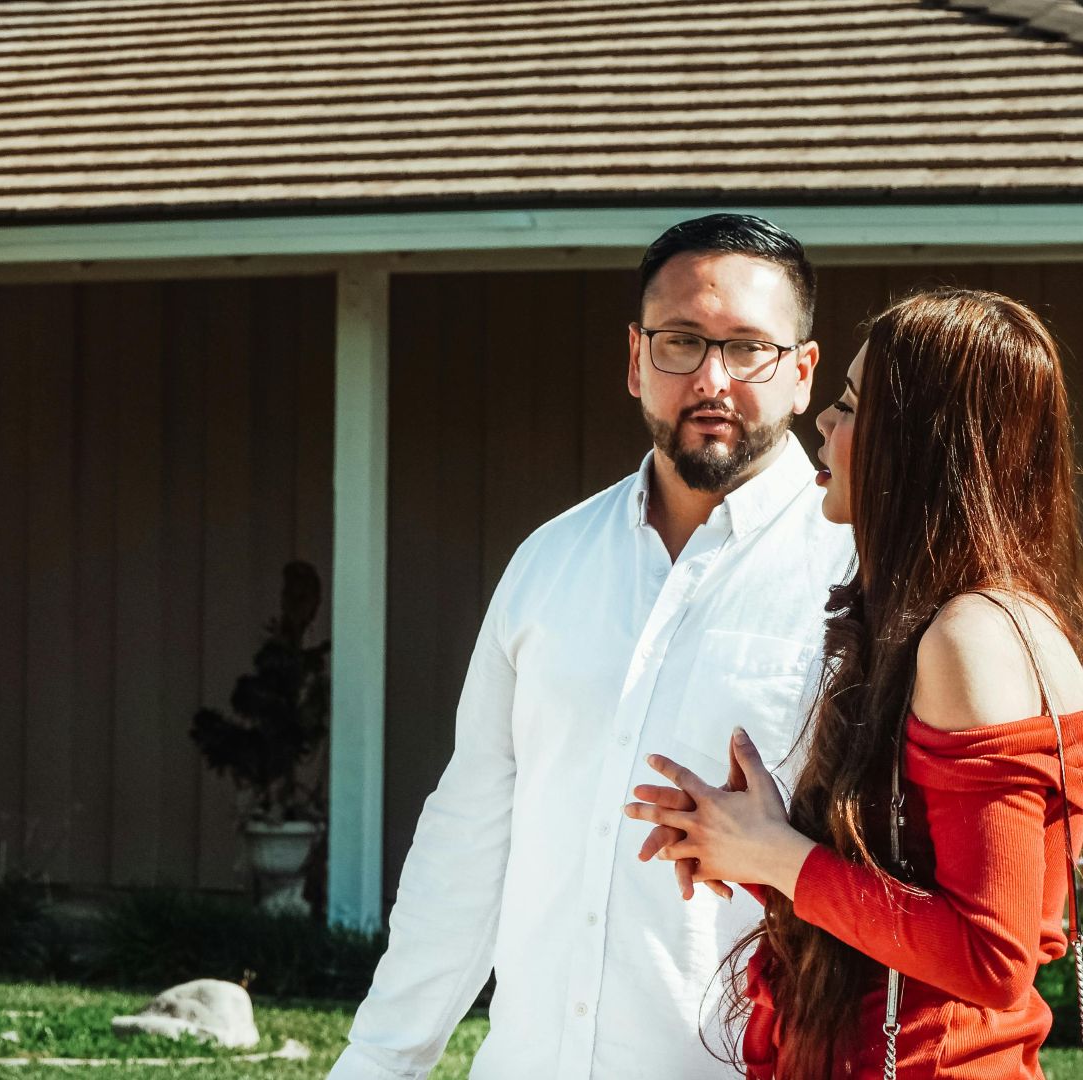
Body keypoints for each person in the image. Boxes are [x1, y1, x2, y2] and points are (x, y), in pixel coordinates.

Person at [329, 213, 856, 1080]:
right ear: (635, 360)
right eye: (680, 342)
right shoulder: (549, 562)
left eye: (749, 348)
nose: (712, 379)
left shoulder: (862, 575)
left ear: (802, 372)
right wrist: (379, 1063)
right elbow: (470, 833)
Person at [627, 288, 1083, 1078]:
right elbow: (904, 900)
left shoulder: (974, 637)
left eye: (847, 404)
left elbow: (991, 958)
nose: (824, 427)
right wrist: (748, 845)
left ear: (919, 440)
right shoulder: (953, 618)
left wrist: (780, 858)